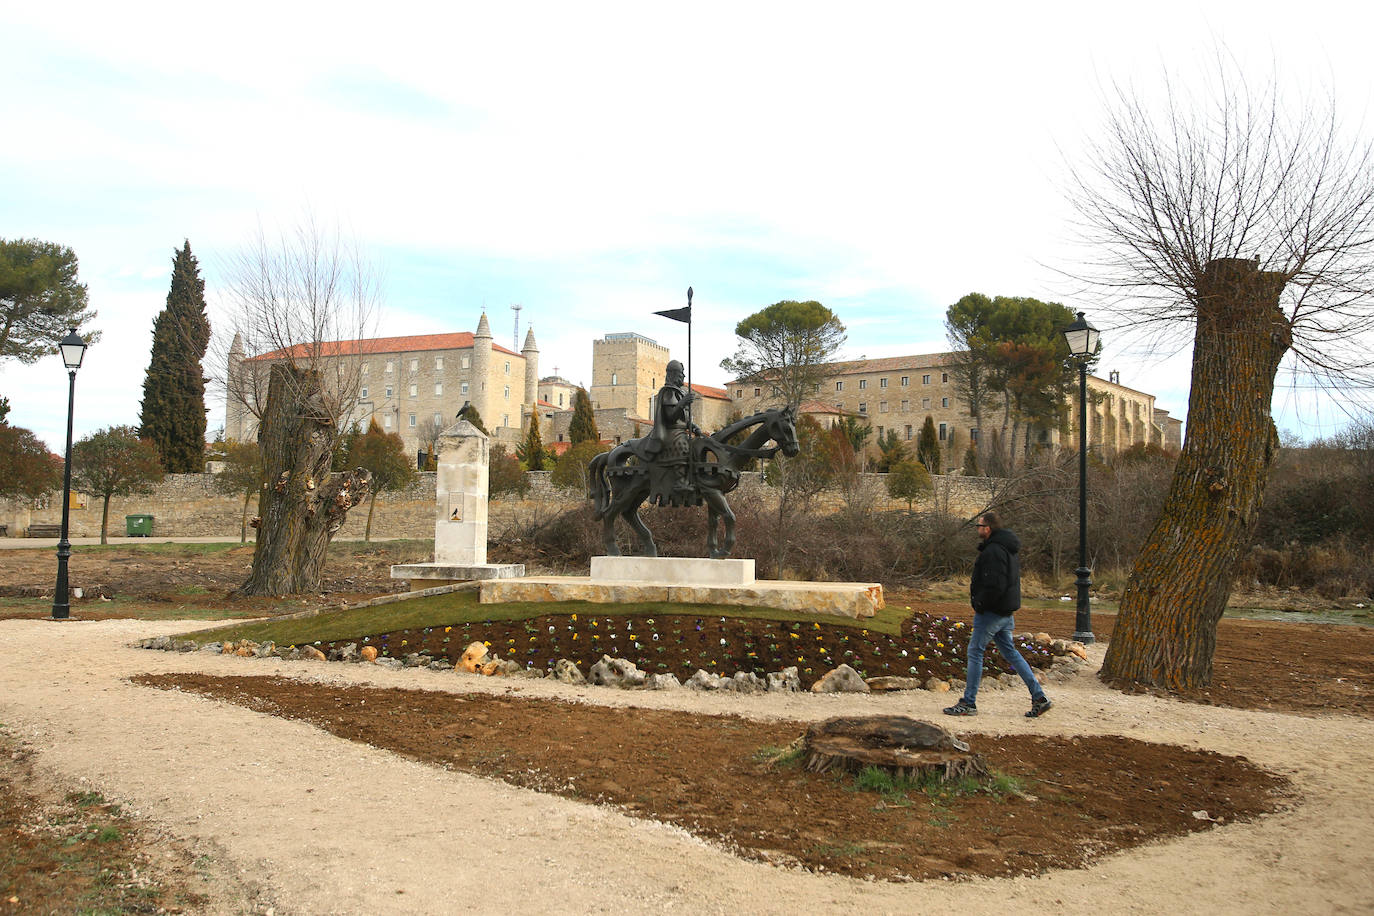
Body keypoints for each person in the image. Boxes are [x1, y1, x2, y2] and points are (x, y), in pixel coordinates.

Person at [944, 511, 1052, 718]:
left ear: (988, 528)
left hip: (992, 612)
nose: (977, 529)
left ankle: (969, 702)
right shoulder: (1007, 548)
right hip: (1005, 611)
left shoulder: (993, 551)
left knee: (975, 651)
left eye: (979, 525)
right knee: (1010, 652)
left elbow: (995, 584)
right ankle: (1039, 697)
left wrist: (980, 603)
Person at [644, 359, 701, 506]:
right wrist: (683, 403)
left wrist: (693, 426)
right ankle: (680, 481)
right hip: (671, 431)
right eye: (681, 374)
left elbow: (683, 419)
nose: (683, 377)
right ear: (674, 374)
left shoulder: (679, 393)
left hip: (681, 429)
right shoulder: (668, 392)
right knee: (682, 446)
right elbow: (671, 417)